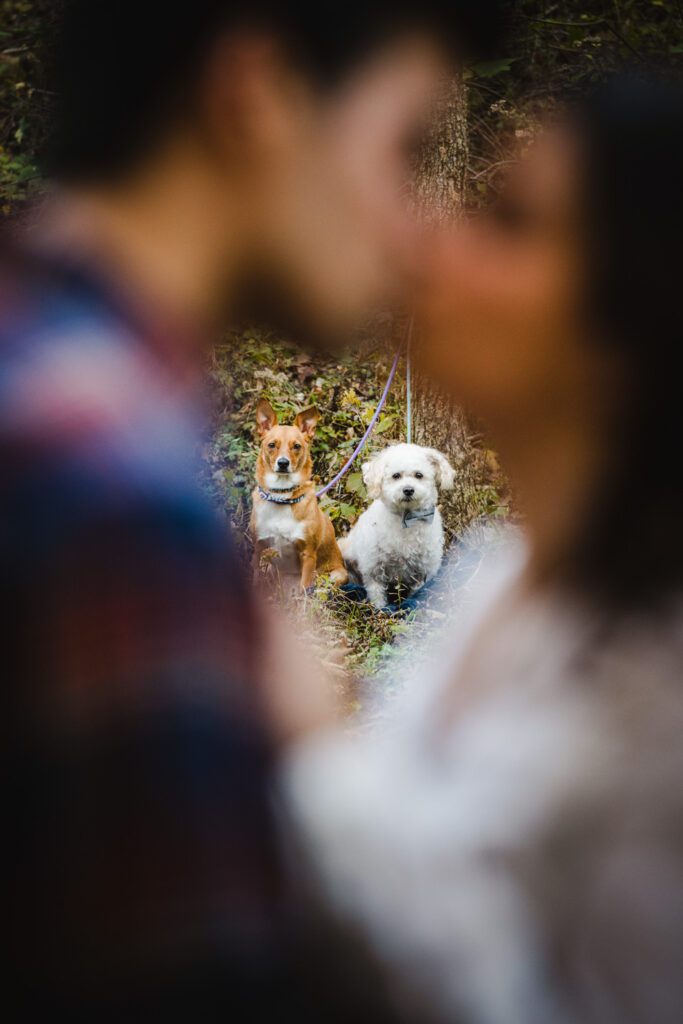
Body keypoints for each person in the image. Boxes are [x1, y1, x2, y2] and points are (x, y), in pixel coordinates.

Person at [0, 1, 501, 1018]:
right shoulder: (122, 501)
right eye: (401, 150)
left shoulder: (41, 371)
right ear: (255, 89)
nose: (418, 230)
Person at [280, 79, 683, 1024]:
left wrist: (306, 741)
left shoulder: (658, 672)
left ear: (639, 309)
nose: (433, 243)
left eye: (508, 220)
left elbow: (487, 986)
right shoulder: (497, 569)